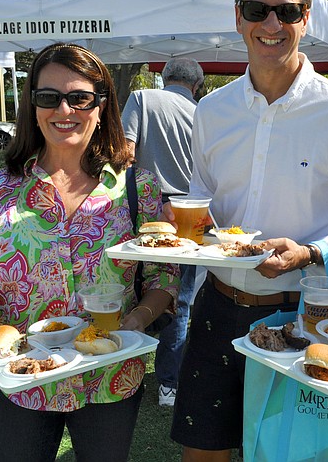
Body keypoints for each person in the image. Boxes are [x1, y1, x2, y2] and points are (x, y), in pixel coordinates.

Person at [168, 0, 328, 461]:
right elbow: (203, 205)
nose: (272, 24)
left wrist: (312, 252)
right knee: (204, 452)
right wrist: (184, 228)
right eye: (257, 9)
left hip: (304, 316)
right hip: (218, 306)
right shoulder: (211, 110)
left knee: (293, 454)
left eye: (287, 12)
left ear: (305, 18)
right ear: (238, 16)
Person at [0, 43, 179, 461]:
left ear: (101, 105)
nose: (65, 110)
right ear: (32, 106)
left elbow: (163, 274)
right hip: (22, 376)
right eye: (49, 97)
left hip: (111, 374)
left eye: (80, 97)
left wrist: (137, 320)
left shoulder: (137, 187)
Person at [122, 57, 204, 407]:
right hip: (191, 213)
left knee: (130, 285)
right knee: (178, 298)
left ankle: (120, 359)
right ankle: (168, 383)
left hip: (147, 208)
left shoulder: (142, 98)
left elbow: (124, 153)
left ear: (163, 77)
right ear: (196, 86)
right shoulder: (204, 112)